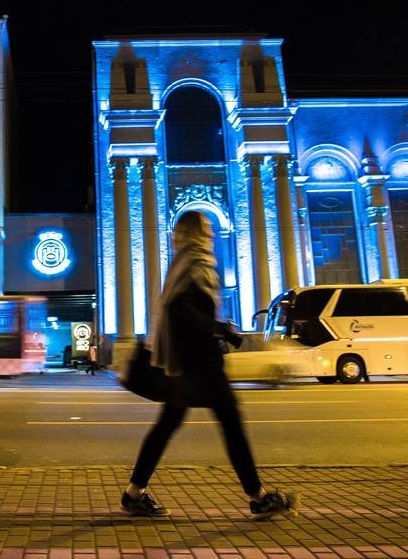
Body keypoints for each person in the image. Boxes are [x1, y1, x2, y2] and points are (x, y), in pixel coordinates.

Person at [121, 210, 299, 520]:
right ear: (196, 232)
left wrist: (215, 327)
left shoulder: (182, 262)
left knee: (169, 425)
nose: (213, 234)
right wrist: (221, 329)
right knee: (231, 426)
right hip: (199, 364)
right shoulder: (196, 262)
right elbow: (182, 307)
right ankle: (258, 497)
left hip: (186, 363)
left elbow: (180, 306)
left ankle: (134, 494)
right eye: (207, 228)